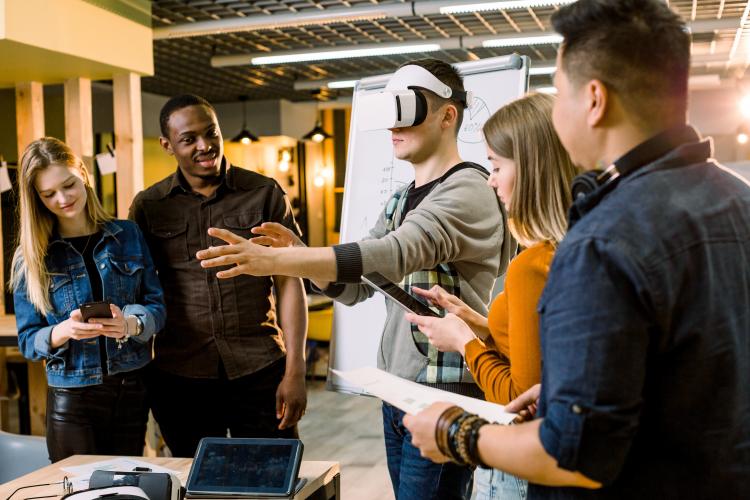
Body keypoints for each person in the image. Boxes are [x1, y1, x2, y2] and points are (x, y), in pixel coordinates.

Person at [402, 0, 750, 498]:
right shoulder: (738, 200)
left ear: (593, 100)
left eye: (559, 93)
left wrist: (453, 433)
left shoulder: (603, 241)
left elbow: (574, 453)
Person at [196, 59, 511, 499]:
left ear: (447, 115)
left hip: (444, 391)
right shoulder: (403, 197)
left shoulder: (469, 190)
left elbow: (395, 253)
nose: (393, 127)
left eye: (408, 110)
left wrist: (286, 263)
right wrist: (296, 256)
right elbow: (362, 284)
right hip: (399, 389)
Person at [405, 92, 578, 499]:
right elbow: (543, 351)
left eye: (497, 165)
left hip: (518, 468)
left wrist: (464, 343)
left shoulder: (531, 266)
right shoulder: (573, 250)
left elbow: (522, 399)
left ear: (532, 169)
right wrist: (479, 325)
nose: (491, 179)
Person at [129, 94, 307, 458]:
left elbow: (291, 280)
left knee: (271, 483)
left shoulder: (263, 193)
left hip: (259, 370)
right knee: (196, 486)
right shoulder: (149, 206)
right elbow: (139, 291)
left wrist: (296, 370)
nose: (204, 146)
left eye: (210, 133)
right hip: (180, 378)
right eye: (188, 139)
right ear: (167, 145)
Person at [12, 137, 165, 462]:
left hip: (131, 387)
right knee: (81, 491)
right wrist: (64, 331)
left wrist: (131, 323)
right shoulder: (32, 257)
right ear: (36, 198)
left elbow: (157, 307)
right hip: (72, 396)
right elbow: (27, 340)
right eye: (48, 194)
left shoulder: (127, 235)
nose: (63, 198)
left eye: (68, 185)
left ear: (82, 172)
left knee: (127, 488)